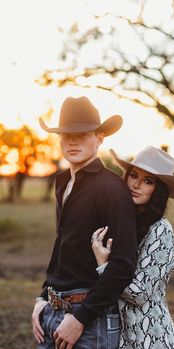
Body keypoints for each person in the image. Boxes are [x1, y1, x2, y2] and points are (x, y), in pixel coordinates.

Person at [31, 96, 137, 349]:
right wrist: (42, 297)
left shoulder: (112, 189)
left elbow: (123, 265)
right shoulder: (63, 183)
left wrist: (80, 319)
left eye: (83, 133)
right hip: (52, 311)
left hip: (90, 319)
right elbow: (63, 249)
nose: (73, 140)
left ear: (99, 138)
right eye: (65, 134)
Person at [91, 146, 174, 349]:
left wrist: (104, 265)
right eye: (134, 176)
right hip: (120, 334)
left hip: (150, 336)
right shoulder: (123, 222)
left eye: (148, 181)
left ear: (158, 190)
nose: (136, 185)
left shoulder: (161, 230)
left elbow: (138, 293)